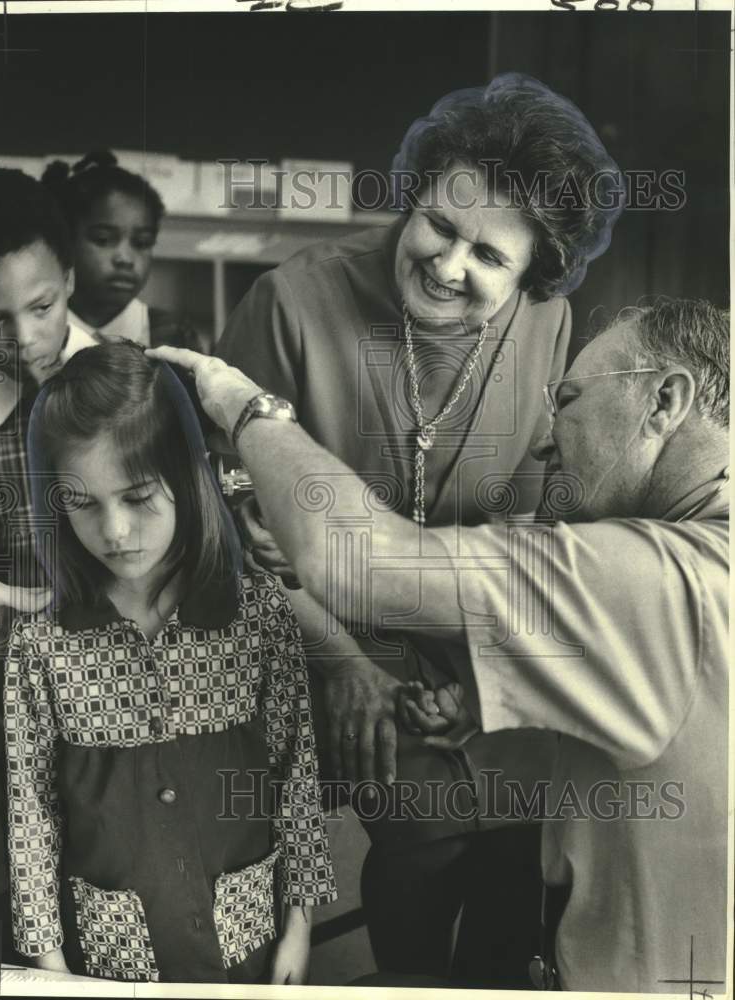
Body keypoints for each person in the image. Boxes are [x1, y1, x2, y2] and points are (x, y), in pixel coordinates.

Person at [148, 294, 729, 993]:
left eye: (568, 400)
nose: (545, 442)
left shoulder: (655, 575)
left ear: (664, 402)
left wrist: (244, 406)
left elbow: (354, 559)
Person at [215, 72, 623, 982]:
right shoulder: (290, 304)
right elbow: (230, 528)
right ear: (415, 195)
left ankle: (486, 978)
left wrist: (485, 666)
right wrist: (340, 662)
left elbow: (526, 501)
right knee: (430, 823)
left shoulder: (548, 322)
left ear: (534, 274)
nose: (448, 265)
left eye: (489, 256)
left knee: (539, 819)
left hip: (465, 626)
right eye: (439, 225)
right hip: (311, 629)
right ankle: (410, 981)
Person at [4, 340, 336, 984]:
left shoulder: (259, 612)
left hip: (250, 945)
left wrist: (299, 929)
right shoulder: (40, 642)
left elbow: (296, 775)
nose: (115, 531)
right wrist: (50, 968)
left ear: (186, 479)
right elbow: (31, 814)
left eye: (137, 496)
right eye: (83, 504)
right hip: (107, 959)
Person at [0, 167, 98, 962]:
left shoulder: (126, 383)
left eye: (43, 307)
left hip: (98, 677)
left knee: (98, 885)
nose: (27, 338)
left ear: (70, 280)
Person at [42, 150, 206, 351]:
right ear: (65, 241)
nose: (125, 259)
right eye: (103, 239)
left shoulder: (172, 334)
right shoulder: (34, 332)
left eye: (142, 243)